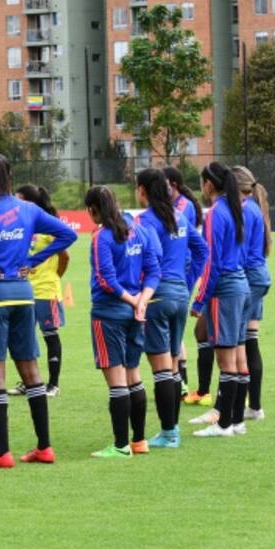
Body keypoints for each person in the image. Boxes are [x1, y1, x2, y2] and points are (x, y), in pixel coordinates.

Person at [0, 154, 77, 468]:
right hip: (23, 295)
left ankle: (3, 453)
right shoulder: (28, 210)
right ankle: (44, 447)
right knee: (32, 372)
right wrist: (32, 261)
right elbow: (68, 234)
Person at [86, 186, 161, 459]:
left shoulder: (102, 237)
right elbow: (154, 271)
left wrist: (132, 301)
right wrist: (142, 301)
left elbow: (106, 280)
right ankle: (139, 441)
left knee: (117, 381)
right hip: (135, 314)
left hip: (109, 313)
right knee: (133, 375)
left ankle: (120, 446)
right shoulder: (137, 230)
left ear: (93, 209)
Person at [135, 170, 208, 450]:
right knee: (174, 362)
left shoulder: (145, 221)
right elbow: (202, 251)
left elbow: (143, 259)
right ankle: (172, 429)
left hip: (157, 295)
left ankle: (169, 433)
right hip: (179, 294)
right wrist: (187, 282)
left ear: (142, 190)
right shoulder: (180, 217)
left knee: (161, 367)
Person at [190, 162, 251, 438]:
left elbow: (211, 262)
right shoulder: (236, 209)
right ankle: (236, 421)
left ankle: (224, 424)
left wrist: (199, 300)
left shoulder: (216, 213)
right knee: (237, 359)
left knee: (226, 361)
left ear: (208, 184)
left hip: (224, 291)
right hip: (240, 286)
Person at [9, 184, 68, 398]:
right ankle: (30, 382)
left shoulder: (48, 225)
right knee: (24, 337)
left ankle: (53, 384)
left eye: (19, 199)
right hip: (25, 290)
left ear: (31, 203)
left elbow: (65, 256)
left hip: (46, 291)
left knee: (50, 335)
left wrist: (54, 276)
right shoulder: (22, 224)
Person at [167, 168, 214, 408]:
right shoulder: (179, 205)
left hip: (180, 270)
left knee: (174, 328)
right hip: (179, 270)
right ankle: (182, 382)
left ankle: (182, 383)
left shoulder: (182, 208)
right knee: (176, 329)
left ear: (173, 185)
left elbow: (189, 244)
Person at [232, 166, 272, 424]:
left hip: (249, 278)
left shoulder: (246, 210)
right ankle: (254, 407)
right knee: (250, 341)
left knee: (235, 343)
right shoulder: (256, 207)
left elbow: (242, 251)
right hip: (259, 276)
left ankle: (228, 410)